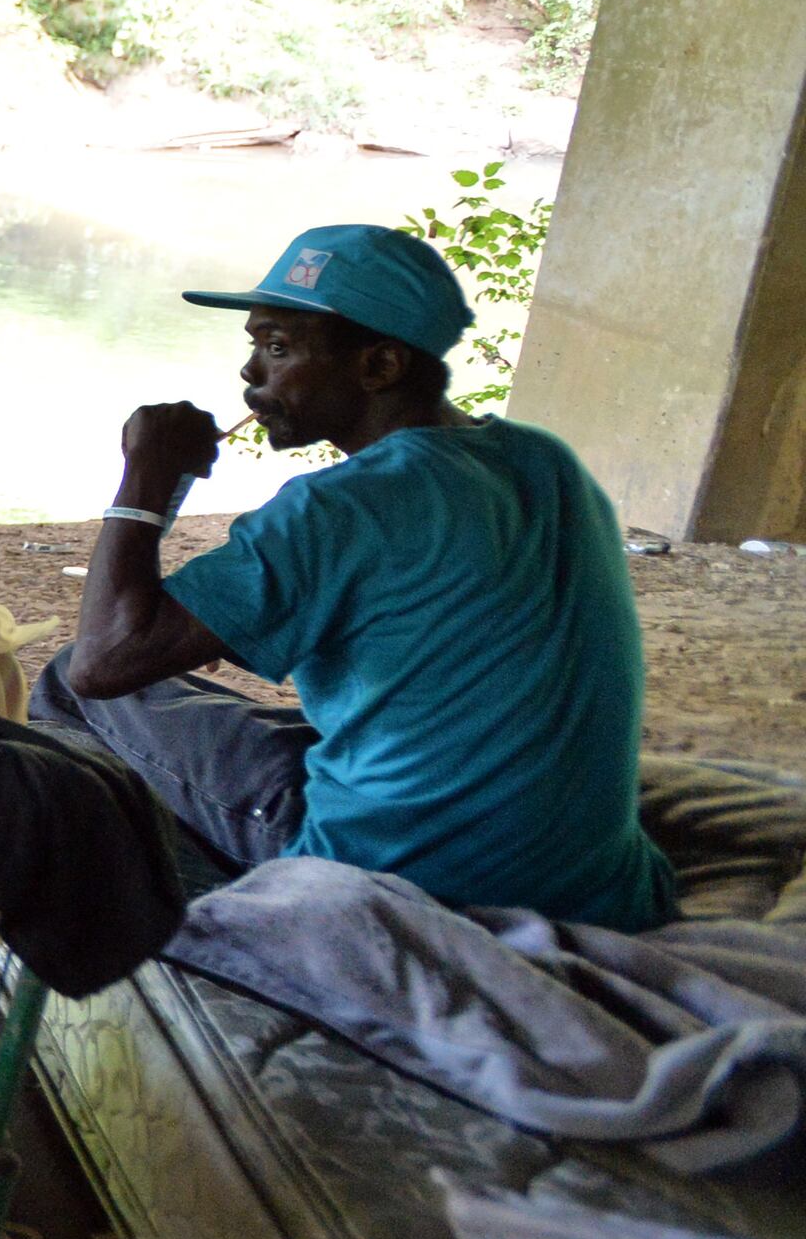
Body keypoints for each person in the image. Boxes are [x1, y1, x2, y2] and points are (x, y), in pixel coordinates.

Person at [38, 222, 674, 929]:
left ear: (380, 366)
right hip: (599, 887)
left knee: (67, 683)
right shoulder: (543, 461)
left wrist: (147, 475)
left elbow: (104, 661)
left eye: (278, 348)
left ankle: (187, 919)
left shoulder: (339, 507)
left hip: (399, 878)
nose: (251, 372)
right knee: (227, 711)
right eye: (255, 345)